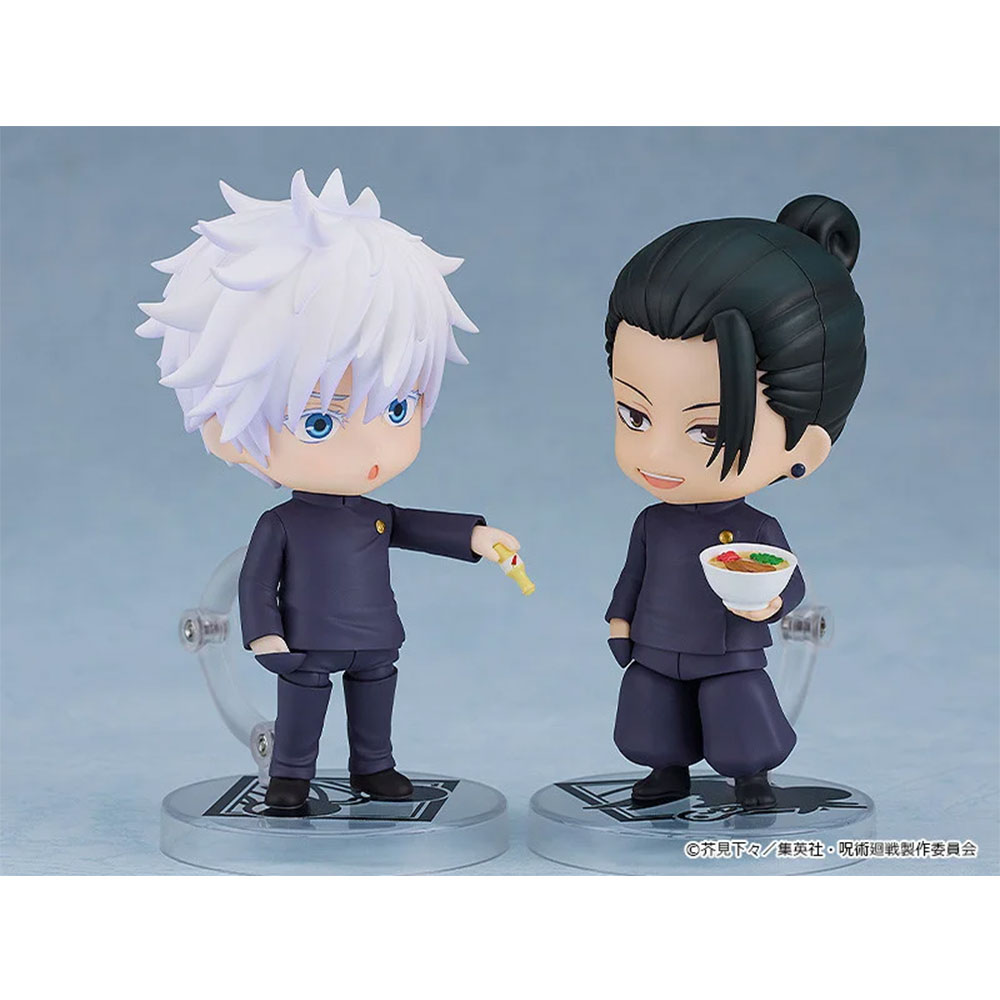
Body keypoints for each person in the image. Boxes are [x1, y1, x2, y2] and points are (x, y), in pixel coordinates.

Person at [138, 169, 519, 809]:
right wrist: (264, 634)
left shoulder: (375, 513)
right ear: (224, 424)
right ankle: (290, 775)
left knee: (375, 699)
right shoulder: (282, 525)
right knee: (303, 707)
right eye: (320, 421)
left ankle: (375, 767)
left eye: (397, 408)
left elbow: (414, 525)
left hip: (375, 635)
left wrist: (477, 537)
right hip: (307, 641)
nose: (372, 449)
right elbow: (256, 581)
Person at [603, 195, 867, 808]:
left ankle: (751, 777)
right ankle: (666, 769)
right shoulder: (651, 522)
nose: (658, 454)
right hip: (656, 646)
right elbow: (633, 576)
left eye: (707, 430)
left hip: (728, 650)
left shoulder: (757, 526)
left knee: (737, 714)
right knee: (651, 711)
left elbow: (788, 580)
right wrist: (620, 620)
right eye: (634, 415)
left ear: (806, 448)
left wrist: (771, 604)